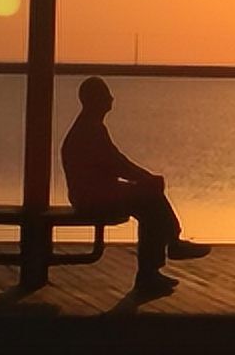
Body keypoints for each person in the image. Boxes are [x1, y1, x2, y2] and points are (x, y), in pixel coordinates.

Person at [61, 76, 210, 294]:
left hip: (95, 194)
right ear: (95, 100)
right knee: (150, 197)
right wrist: (146, 179)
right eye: (106, 94)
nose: (111, 98)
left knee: (149, 201)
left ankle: (155, 265)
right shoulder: (90, 131)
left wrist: (145, 179)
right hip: (93, 199)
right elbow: (118, 164)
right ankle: (164, 253)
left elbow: (116, 163)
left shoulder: (90, 127)